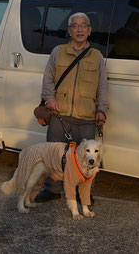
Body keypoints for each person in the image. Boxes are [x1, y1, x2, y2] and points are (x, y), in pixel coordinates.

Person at [34, 12, 108, 203]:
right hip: (61, 115)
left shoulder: (97, 56)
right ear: (69, 31)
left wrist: (101, 110)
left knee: (86, 158)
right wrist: (49, 99)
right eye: (75, 26)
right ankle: (51, 189)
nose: (79, 29)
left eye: (84, 25)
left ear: (89, 30)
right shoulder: (58, 52)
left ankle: (83, 192)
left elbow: (103, 87)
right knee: (54, 156)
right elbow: (48, 78)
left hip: (86, 117)